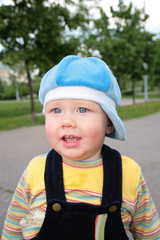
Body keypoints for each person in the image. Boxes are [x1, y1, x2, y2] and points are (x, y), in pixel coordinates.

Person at [1, 55, 160, 240]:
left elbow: (149, 234)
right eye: (56, 110)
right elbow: (12, 231)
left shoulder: (128, 173)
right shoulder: (35, 171)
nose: (67, 121)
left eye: (82, 110)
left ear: (109, 123)